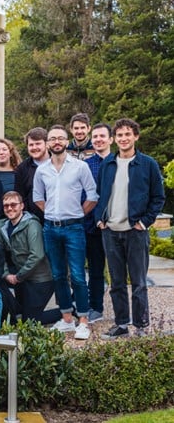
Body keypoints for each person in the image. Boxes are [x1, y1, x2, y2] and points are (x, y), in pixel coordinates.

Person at [96, 118, 165, 339]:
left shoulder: (148, 164)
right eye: (120, 135)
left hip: (136, 232)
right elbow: (99, 194)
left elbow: (158, 197)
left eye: (128, 134)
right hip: (110, 231)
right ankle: (121, 324)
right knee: (116, 283)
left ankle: (141, 326)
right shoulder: (107, 164)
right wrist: (99, 219)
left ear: (136, 136)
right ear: (114, 139)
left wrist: (144, 222)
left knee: (138, 283)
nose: (124, 138)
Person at [33, 124, 98, 340]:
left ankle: (83, 321)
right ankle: (67, 319)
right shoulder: (42, 170)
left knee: (78, 275)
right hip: (51, 228)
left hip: (74, 228)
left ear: (67, 141)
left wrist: (78, 213)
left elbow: (92, 195)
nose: (57, 142)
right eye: (52, 139)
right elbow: (37, 197)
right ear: (48, 143)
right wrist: (52, 213)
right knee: (58, 275)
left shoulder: (80, 167)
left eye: (60, 138)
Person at [0, 191, 61, 324]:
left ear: (22, 206)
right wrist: (6, 274)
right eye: (6, 206)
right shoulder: (4, 226)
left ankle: (68, 310)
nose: (9, 208)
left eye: (13, 204)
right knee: (19, 315)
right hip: (22, 280)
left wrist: (18, 277)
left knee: (29, 321)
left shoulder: (32, 225)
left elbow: (37, 255)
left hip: (40, 279)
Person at [83, 123, 114, 323]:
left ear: (111, 139)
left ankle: (123, 311)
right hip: (92, 226)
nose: (98, 140)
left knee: (119, 271)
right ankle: (96, 307)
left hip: (118, 226)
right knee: (95, 269)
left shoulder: (120, 162)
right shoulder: (85, 165)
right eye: (95, 137)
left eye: (102, 136)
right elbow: (82, 194)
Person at [14, 127, 50, 223]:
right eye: (31, 145)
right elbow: (20, 198)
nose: (34, 147)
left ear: (47, 144)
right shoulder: (21, 169)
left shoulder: (58, 164)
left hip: (59, 220)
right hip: (33, 222)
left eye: (38, 143)